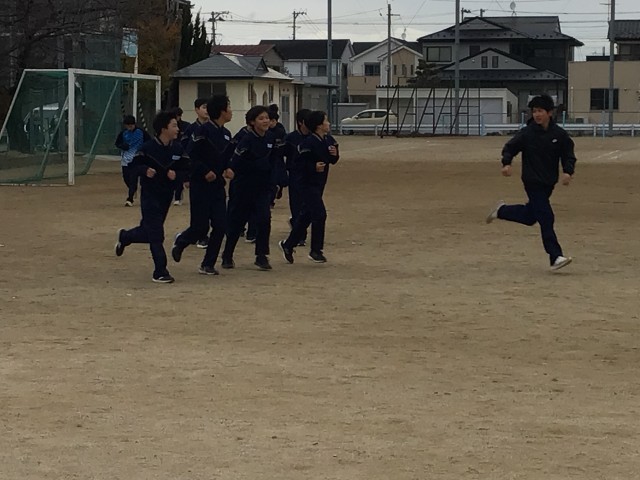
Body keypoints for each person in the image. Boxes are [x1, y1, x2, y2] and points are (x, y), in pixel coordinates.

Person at [485, 94, 576, 271]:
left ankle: (502, 211)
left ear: (550, 113)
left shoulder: (559, 134)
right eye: (534, 111)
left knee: (530, 217)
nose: (537, 115)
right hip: (532, 181)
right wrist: (506, 163)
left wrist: (568, 171)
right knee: (546, 217)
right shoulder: (527, 133)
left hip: (548, 182)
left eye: (540, 111)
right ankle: (555, 256)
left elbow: (568, 154)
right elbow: (510, 147)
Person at [114, 111, 189, 283]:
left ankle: (125, 236)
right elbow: (134, 166)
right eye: (174, 125)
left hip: (166, 196)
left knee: (149, 231)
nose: (177, 129)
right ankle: (160, 271)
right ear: (163, 128)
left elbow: (187, 168)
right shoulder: (147, 148)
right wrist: (145, 170)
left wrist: (177, 176)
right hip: (149, 195)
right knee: (157, 234)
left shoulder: (178, 149)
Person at [171, 95, 234, 276]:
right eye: (229, 107)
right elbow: (189, 155)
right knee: (200, 227)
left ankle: (208, 263)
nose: (231, 111)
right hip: (200, 185)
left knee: (221, 225)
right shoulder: (202, 131)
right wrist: (204, 171)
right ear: (221, 111)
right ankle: (181, 241)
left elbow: (226, 158)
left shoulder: (226, 134)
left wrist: (228, 168)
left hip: (218, 186)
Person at [279, 110, 339, 264]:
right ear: (319, 125)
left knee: (306, 215)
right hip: (306, 184)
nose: (328, 124)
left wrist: (334, 154)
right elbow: (298, 164)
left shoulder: (328, 139)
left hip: (319, 183)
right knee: (319, 214)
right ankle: (316, 250)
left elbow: (333, 160)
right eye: (326, 121)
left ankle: (288, 244)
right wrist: (313, 166)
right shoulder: (308, 143)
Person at [221, 106, 275, 270]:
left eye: (267, 118)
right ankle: (227, 255)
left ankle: (261, 256)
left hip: (262, 187)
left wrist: (277, 181)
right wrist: (230, 169)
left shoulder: (270, 138)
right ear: (252, 122)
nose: (265, 121)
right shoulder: (246, 139)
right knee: (237, 222)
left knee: (264, 220)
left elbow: (274, 161)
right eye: (261, 118)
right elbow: (235, 159)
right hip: (243, 187)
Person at [181, 98, 211, 249]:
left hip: (212, 176)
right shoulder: (190, 129)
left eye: (208, 107)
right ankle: (199, 235)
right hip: (196, 175)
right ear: (196, 110)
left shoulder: (215, 129)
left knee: (211, 207)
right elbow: (185, 153)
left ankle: (203, 234)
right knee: (198, 208)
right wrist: (185, 176)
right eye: (204, 107)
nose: (206, 110)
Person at [284, 108, 311, 246]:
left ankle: (298, 228)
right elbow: (281, 154)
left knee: (309, 205)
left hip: (310, 175)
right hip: (295, 175)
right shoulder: (291, 138)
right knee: (296, 205)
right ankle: (300, 235)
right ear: (300, 122)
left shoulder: (313, 138)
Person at [114, 115, 150, 206]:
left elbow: (149, 142)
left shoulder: (141, 132)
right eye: (127, 126)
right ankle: (133, 190)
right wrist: (122, 146)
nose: (129, 127)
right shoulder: (123, 133)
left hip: (137, 159)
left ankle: (129, 199)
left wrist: (143, 150)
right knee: (126, 178)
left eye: (131, 125)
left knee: (133, 178)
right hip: (125, 159)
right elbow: (117, 143)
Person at [172, 107, 191, 206]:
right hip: (172, 153)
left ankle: (178, 196)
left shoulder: (187, 126)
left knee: (180, 174)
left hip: (184, 154)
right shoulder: (169, 126)